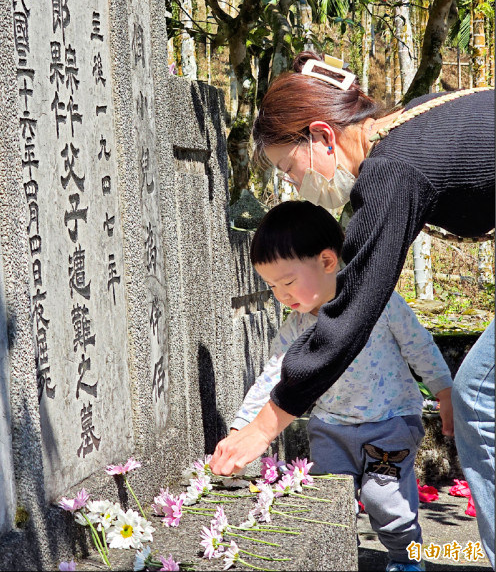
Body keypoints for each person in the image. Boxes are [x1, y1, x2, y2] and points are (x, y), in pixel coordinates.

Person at [210, 52, 495, 567]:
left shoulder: (391, 171)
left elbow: (352, 311)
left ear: (321, 135)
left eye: (288, 168)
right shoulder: (410, 129)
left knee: (479, 396)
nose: (295, 187)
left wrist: (264, 427)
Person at [230, 200, 453, 572]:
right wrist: (242, 428)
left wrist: (444, 391)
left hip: (391, 422)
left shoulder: (379, 302)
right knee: (328, 502)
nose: (282, 295)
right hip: (331, 429)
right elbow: (272, 376)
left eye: (288, 282)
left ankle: (407, 559)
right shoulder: (296, 328)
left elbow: (419, 346)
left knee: (385, 500)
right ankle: (338, 558)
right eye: (272, 287)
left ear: (328, 261)